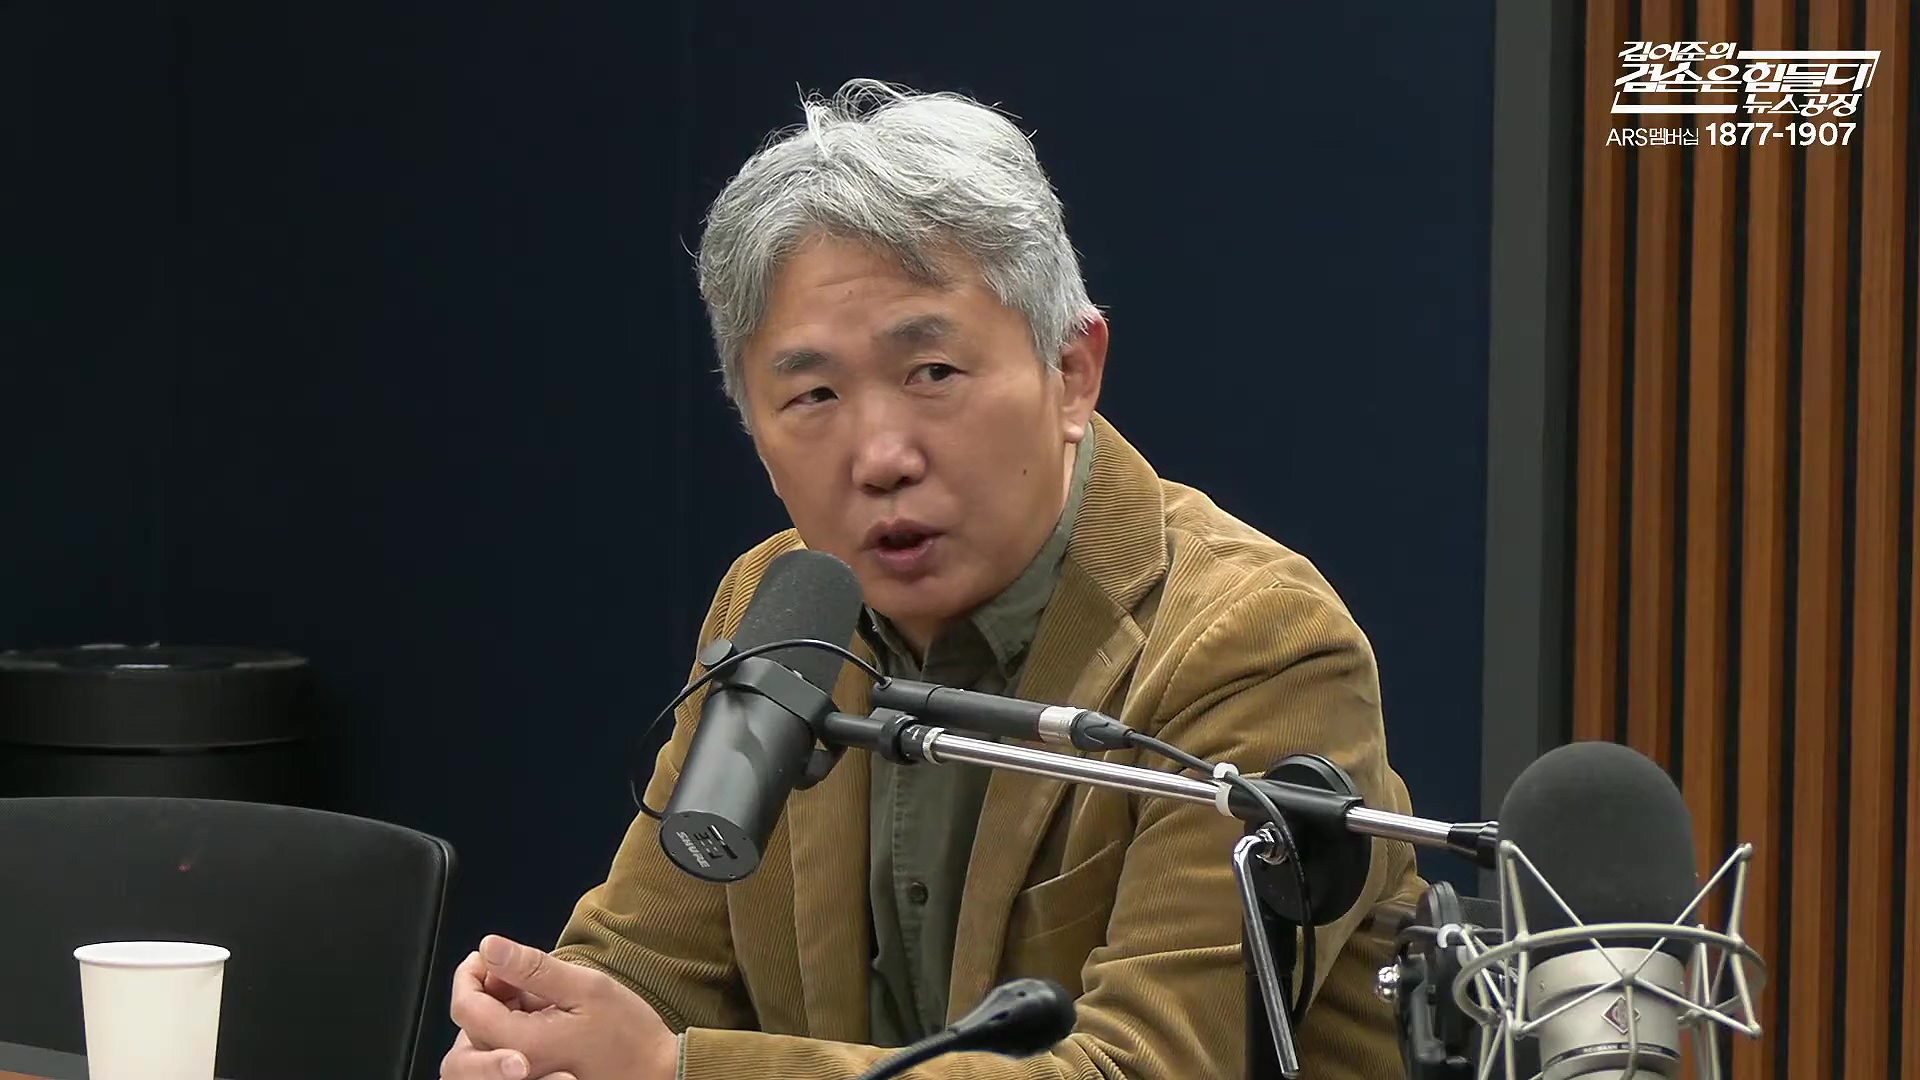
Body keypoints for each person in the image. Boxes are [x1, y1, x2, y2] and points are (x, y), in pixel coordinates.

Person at [442, 79, 1425, 1080]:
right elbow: (650, 964)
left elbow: (1143, 1069)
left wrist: (674, 1073)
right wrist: (543, 1042)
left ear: (1072, 372)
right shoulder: (782, 605)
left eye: (933, 375)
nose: (880, 457)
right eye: (813, 394)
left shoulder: (1252, 643)